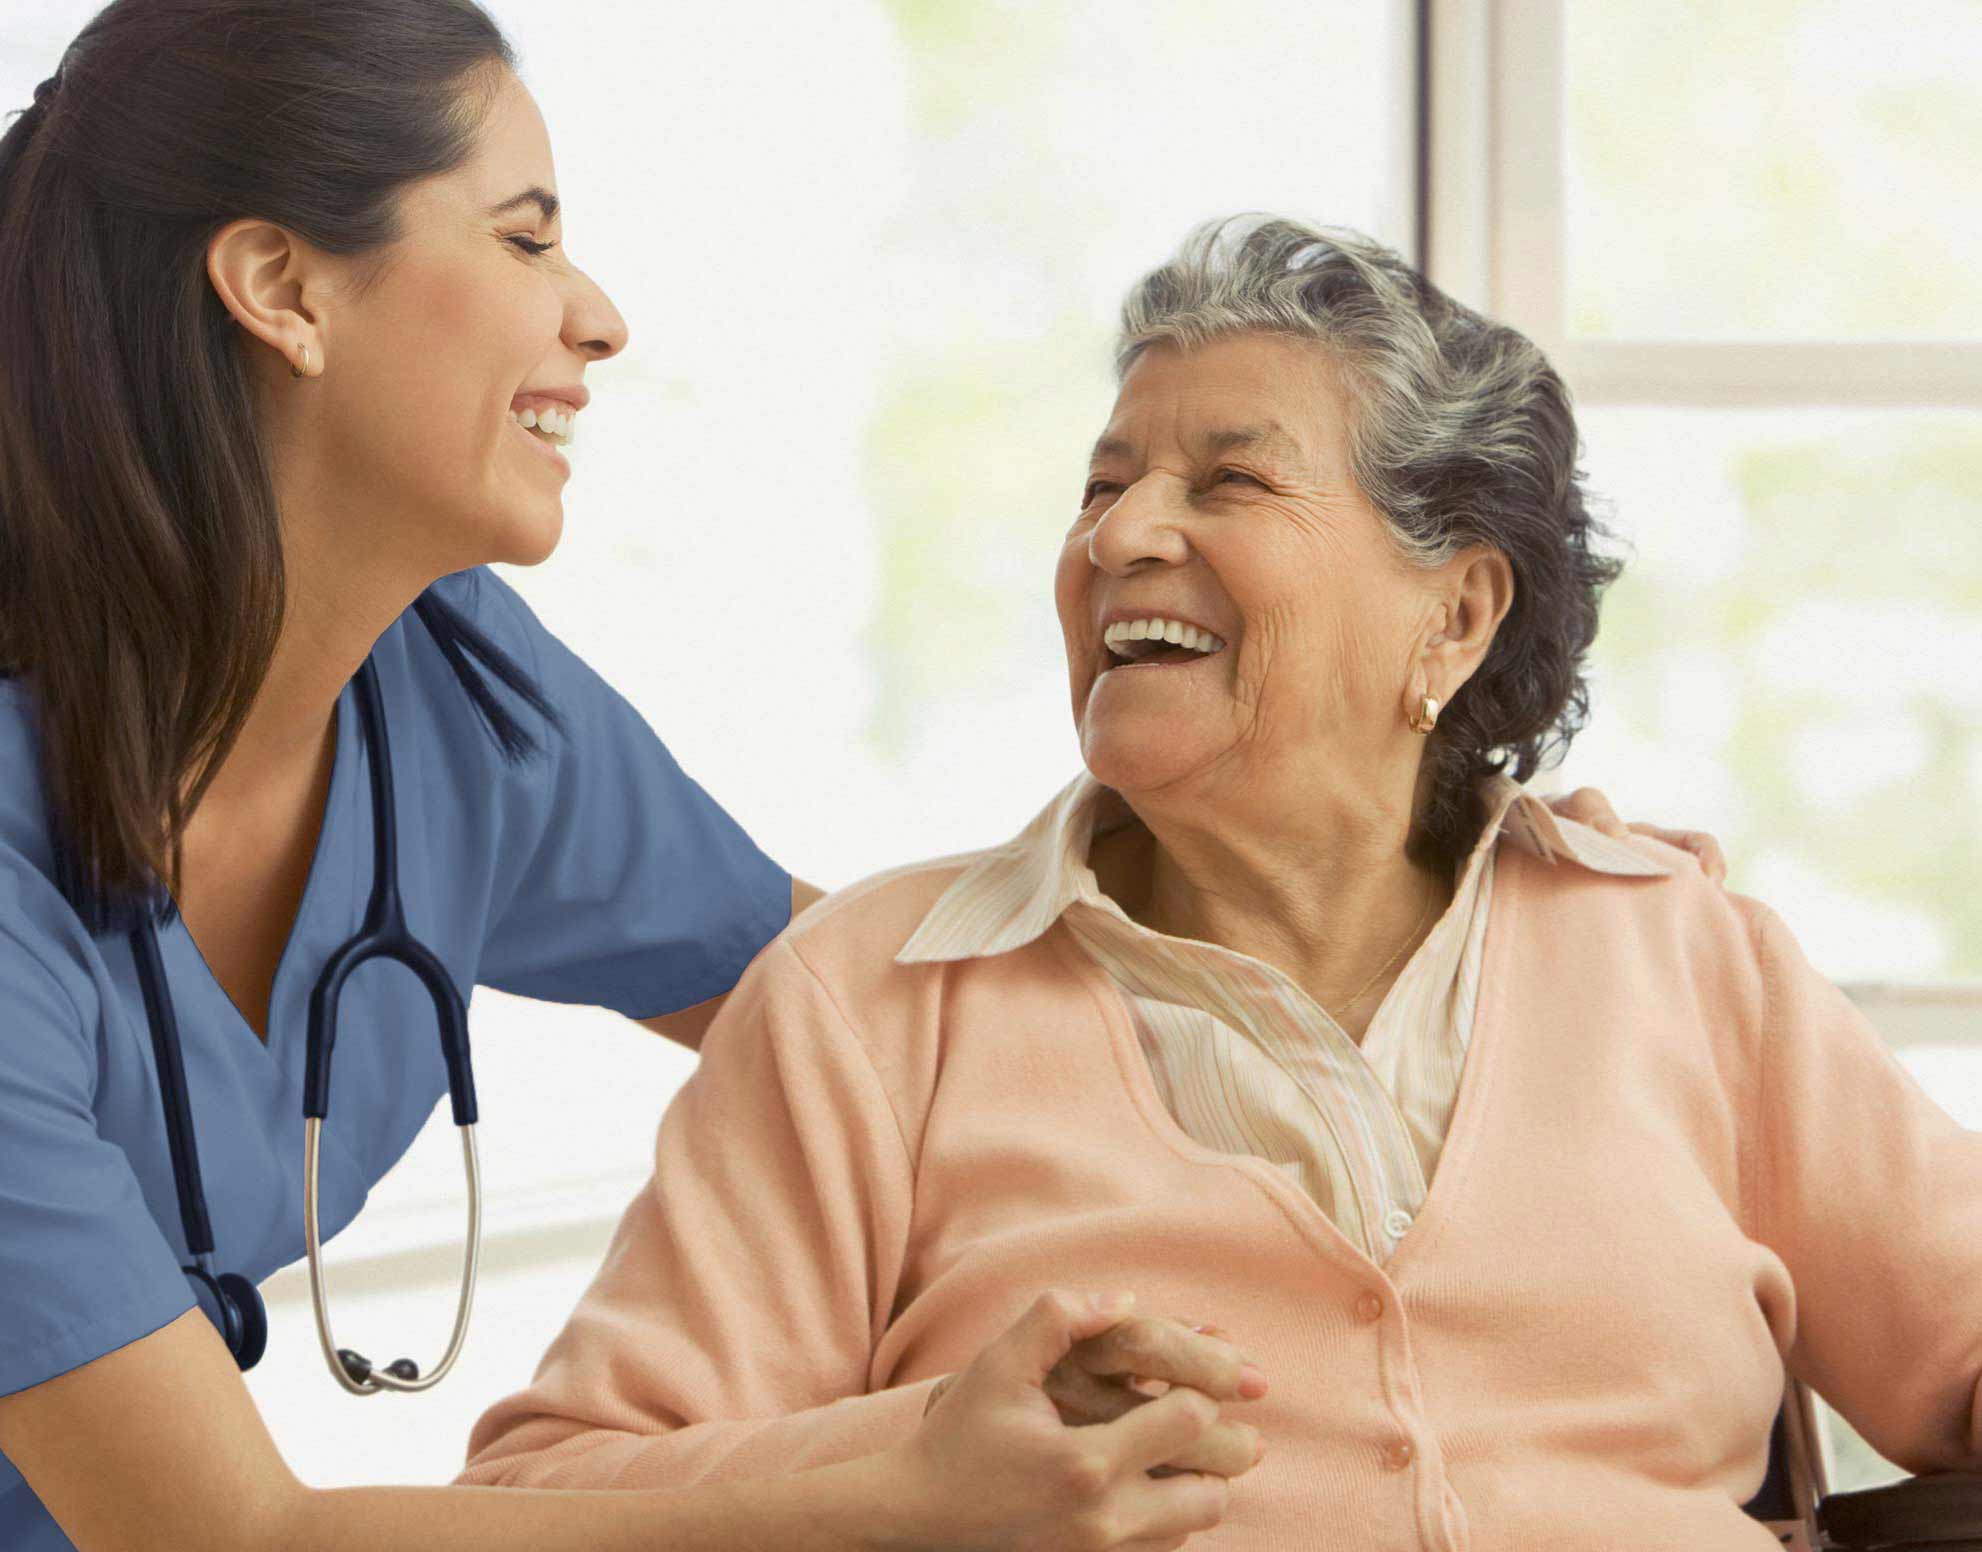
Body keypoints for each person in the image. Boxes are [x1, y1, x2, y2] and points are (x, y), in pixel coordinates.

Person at [455, 216, 1981, 1549]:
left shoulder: (1681, 957)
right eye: (1101, 485)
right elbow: (557, 1493)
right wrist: (909, 1466)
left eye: (1229, 482)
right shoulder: (873, 1002)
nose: (1120, 535)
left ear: (1450, 615)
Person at [0, 5, 1290, 1547]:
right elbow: (225, 1534)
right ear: (284, 289)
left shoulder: (453, 699)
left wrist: (1410, 927)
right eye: (524, 239)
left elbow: (861, 1027)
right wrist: (897, 1503)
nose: (597, 317)